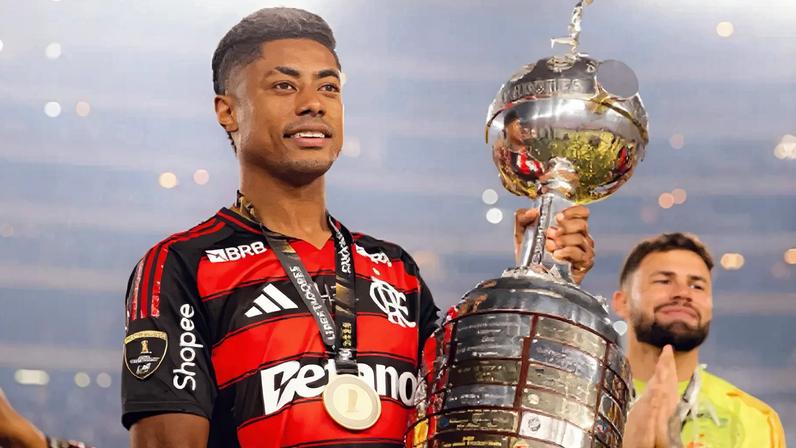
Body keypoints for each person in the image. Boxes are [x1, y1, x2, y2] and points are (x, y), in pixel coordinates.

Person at [120, 7, 597, 448]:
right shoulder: (181, 264)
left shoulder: (395, 269)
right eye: (284, 86)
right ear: (227, 110)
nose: (314, 104)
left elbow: (464, 409)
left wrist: (535, 282)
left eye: (329, 87)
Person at [614, 233, 785, 447]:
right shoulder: (581, 402)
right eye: (664, 281)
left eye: (697, 286)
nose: (683, 293)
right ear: (622, 302)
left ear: (710, 308)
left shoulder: (753, 419)